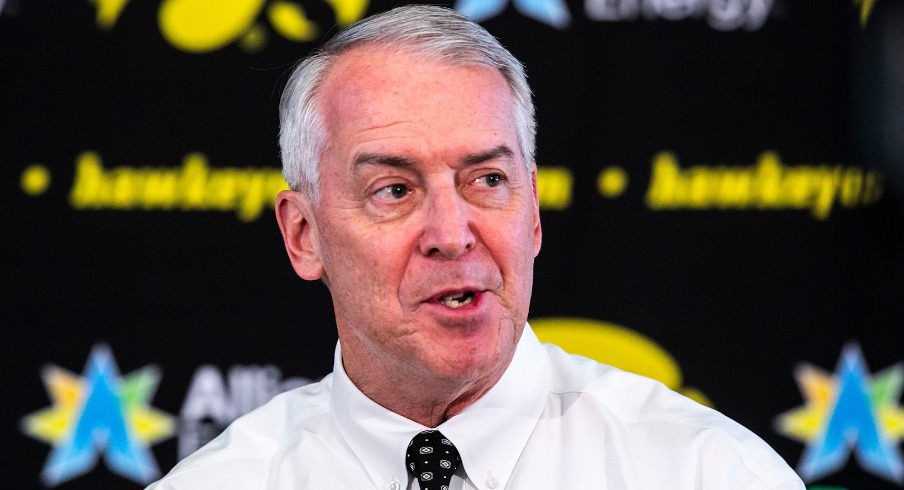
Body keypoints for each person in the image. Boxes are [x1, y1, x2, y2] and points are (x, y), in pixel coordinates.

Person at [148, 5, 805, 489]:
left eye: (488, 180)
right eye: (394, 190)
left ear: (533, 211)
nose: (452, 234)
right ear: (303, 235)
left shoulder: (709, 472)